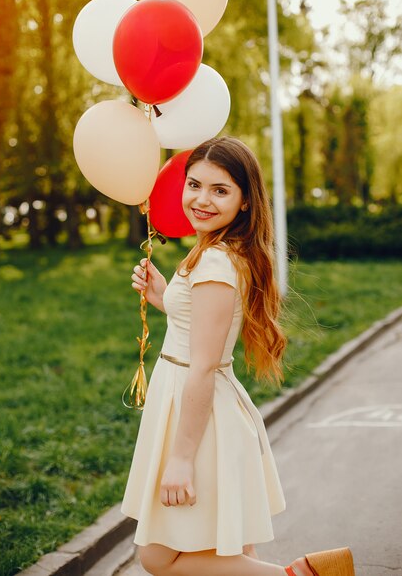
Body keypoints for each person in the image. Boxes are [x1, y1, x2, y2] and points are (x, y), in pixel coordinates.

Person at [121, 137, 355, 576]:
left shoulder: (214, 263)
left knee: (158, 557)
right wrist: (166, 298)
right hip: (203, 407)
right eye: (194, 185)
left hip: (198, 415)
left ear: (246, 201)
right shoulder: (219, 251)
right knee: (225, 553)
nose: (201, 199)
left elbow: (204, 363)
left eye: (220, 190)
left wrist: (181, 458)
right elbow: (203, 328)